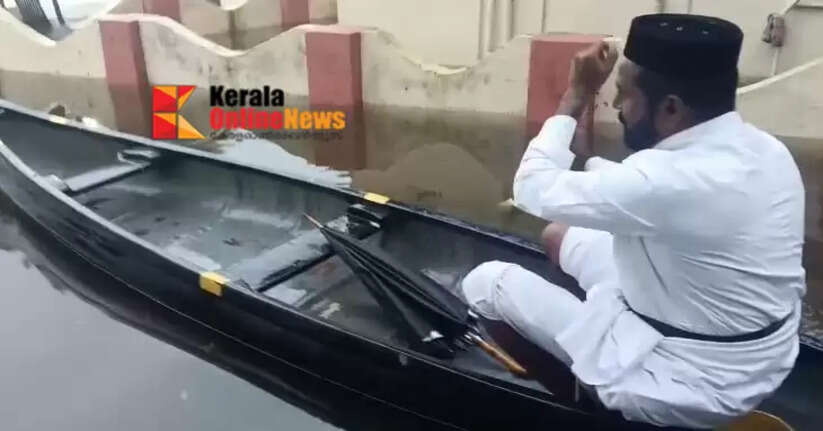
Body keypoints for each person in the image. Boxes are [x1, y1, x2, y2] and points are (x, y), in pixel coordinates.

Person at [461, 14, 805, 429]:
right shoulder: (765, 150)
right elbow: (654, 194)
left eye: (623, 96)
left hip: (684, 382)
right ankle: (592, 348)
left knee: (484, 283)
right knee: (558, 235)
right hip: (758, 356)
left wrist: (576, 93)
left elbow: (532, 188)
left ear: (671, 108)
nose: (617, 109)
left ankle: (591, 404)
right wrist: (593, 171)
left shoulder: (663, 182)